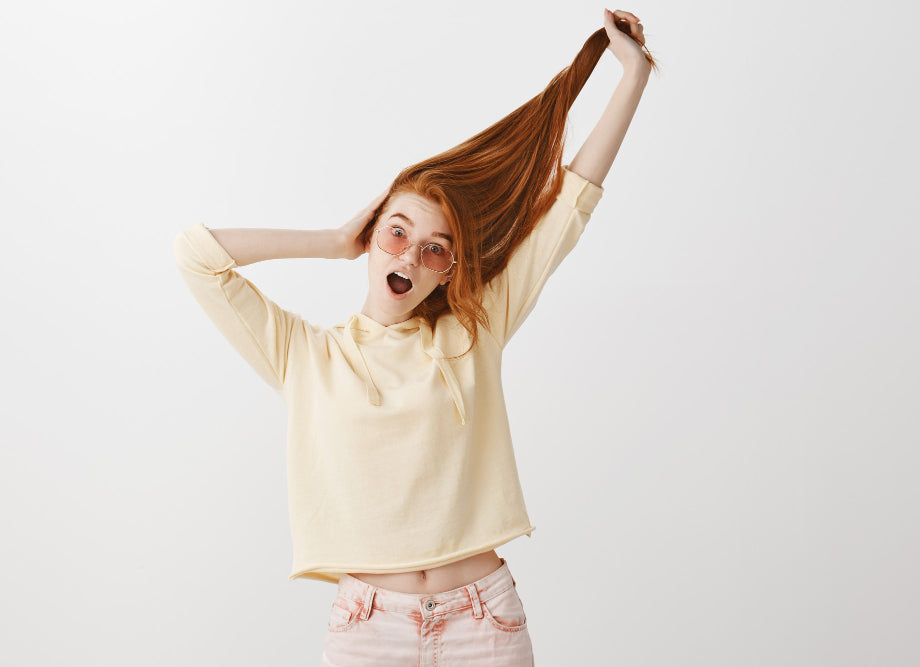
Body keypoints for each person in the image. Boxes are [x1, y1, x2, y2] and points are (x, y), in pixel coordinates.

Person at [173, 8, 656, 665]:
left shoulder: (474, 330)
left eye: (434, 248)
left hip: (483, 620)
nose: (409, 256)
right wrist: (329, 242)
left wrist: (632, 74)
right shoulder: (305, 355)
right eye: (396, 232)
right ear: (373, 235)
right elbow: (196, 257)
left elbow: (572, 202)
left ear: (450, 267)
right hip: (369, 628)